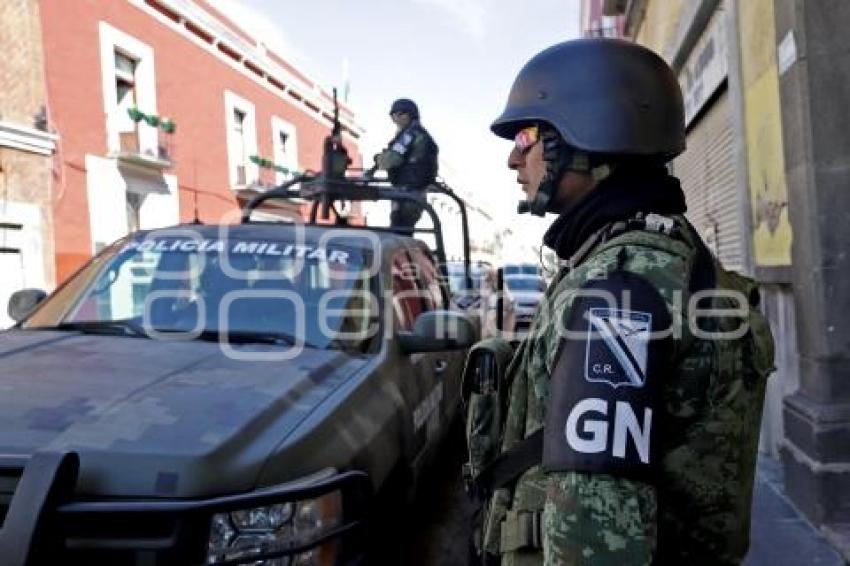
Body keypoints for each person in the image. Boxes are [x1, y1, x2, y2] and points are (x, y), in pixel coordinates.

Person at [463, 38, 775, 565]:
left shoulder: (617, 293)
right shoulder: (664, 257)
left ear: (589, 135)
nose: (514, 155)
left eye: (525, 134)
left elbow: (596, 544)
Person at [374, 98, 439, 235]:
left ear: (406, 115)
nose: (394, 120)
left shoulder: (410, 135)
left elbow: (390, 160)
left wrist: (378, 158)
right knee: (404, 234)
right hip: (415, 195)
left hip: (407, 195)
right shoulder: (421, 135)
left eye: (395, 115)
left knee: (399, 234)